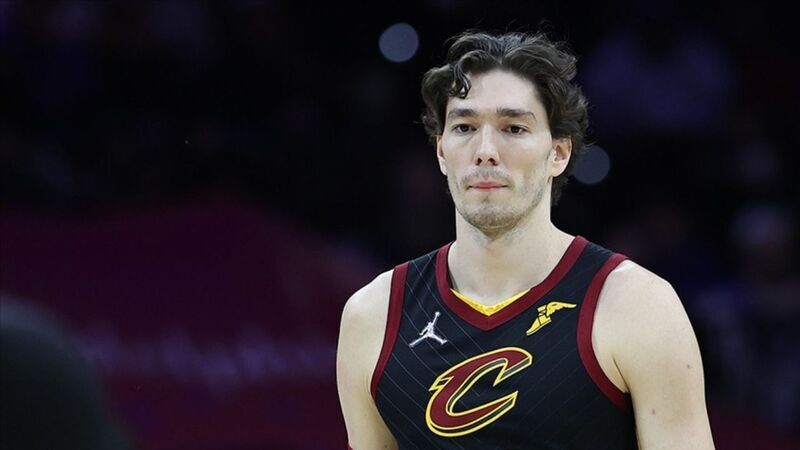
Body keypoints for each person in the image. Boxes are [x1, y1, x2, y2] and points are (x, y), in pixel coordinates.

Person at [336, 29, 714, 449]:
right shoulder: (372, 317)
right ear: (441, 151)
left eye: (513, 128)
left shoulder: (636, 307)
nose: (485, 150)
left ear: (559, 153)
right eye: (464, 127)